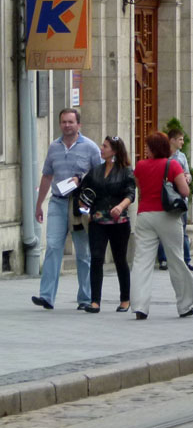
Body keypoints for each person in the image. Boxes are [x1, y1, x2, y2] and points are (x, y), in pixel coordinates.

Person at [32, 109, 103, 311]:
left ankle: (86, 297)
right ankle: (47, 296)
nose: (67, 125)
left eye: (71, 122)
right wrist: (39, 205)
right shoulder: (54, 147)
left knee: (82, 252)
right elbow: (47, 176)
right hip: (57, 201)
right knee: (53, 247)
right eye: (63, 122)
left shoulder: (90, 148)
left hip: (80, 205)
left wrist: (82, 181)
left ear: (78, 125)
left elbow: (99, 176)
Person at [131, 132, 193, 319]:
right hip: (168, 216)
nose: (145, 149)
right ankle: (184, 306)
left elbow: (139, 187)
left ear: (153, 148)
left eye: (147, 146)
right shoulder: (172, 164)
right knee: (176, 259)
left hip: (144, 215)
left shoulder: (141, 166)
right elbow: (185, 191)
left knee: (142, 261)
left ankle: (140, 307)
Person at [78, 136, 136, 313]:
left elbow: (131, 193)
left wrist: (120, 206)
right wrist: (84, 209)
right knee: (96, 258)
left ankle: (125, 299)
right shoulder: (95, 171)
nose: (101, 149)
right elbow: (84, 193)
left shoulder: (125, 171)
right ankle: (95, 301)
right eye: (102, 145)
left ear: (115, 151)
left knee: (120, 259)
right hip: (97, 221)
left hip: (119, 222)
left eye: (105, 146)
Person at [157, 129, 193, 272]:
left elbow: (188, 174)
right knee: (163, 230)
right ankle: (163, 259)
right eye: (180, 139)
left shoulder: (182, 156)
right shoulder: (163, 155)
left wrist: (187, 178)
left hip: (180, 198)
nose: (182, 142)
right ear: (172, 140)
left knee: (182, 230)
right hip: (165, 197)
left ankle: (186, 260)